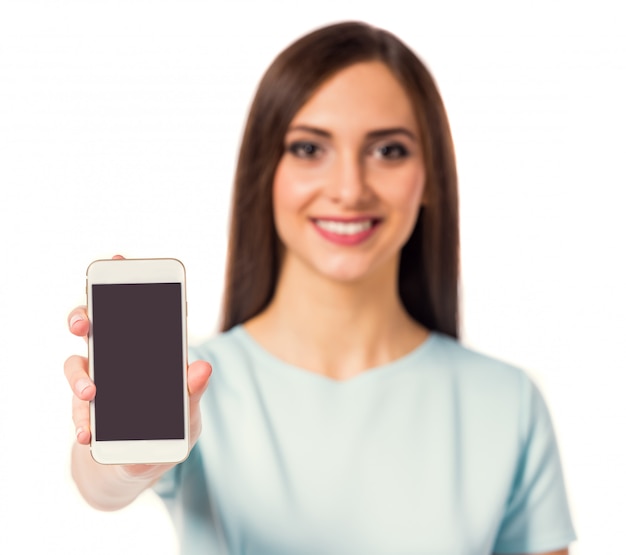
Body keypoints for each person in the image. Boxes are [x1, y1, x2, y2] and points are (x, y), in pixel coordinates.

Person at [64, 21, 576, 554]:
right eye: (310, 149)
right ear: (266, 172)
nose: (350, 189)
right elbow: (100, 487)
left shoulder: (509, 403)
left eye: (389, 151)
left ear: (431, 177)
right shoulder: (190, 384)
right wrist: (126, 458)